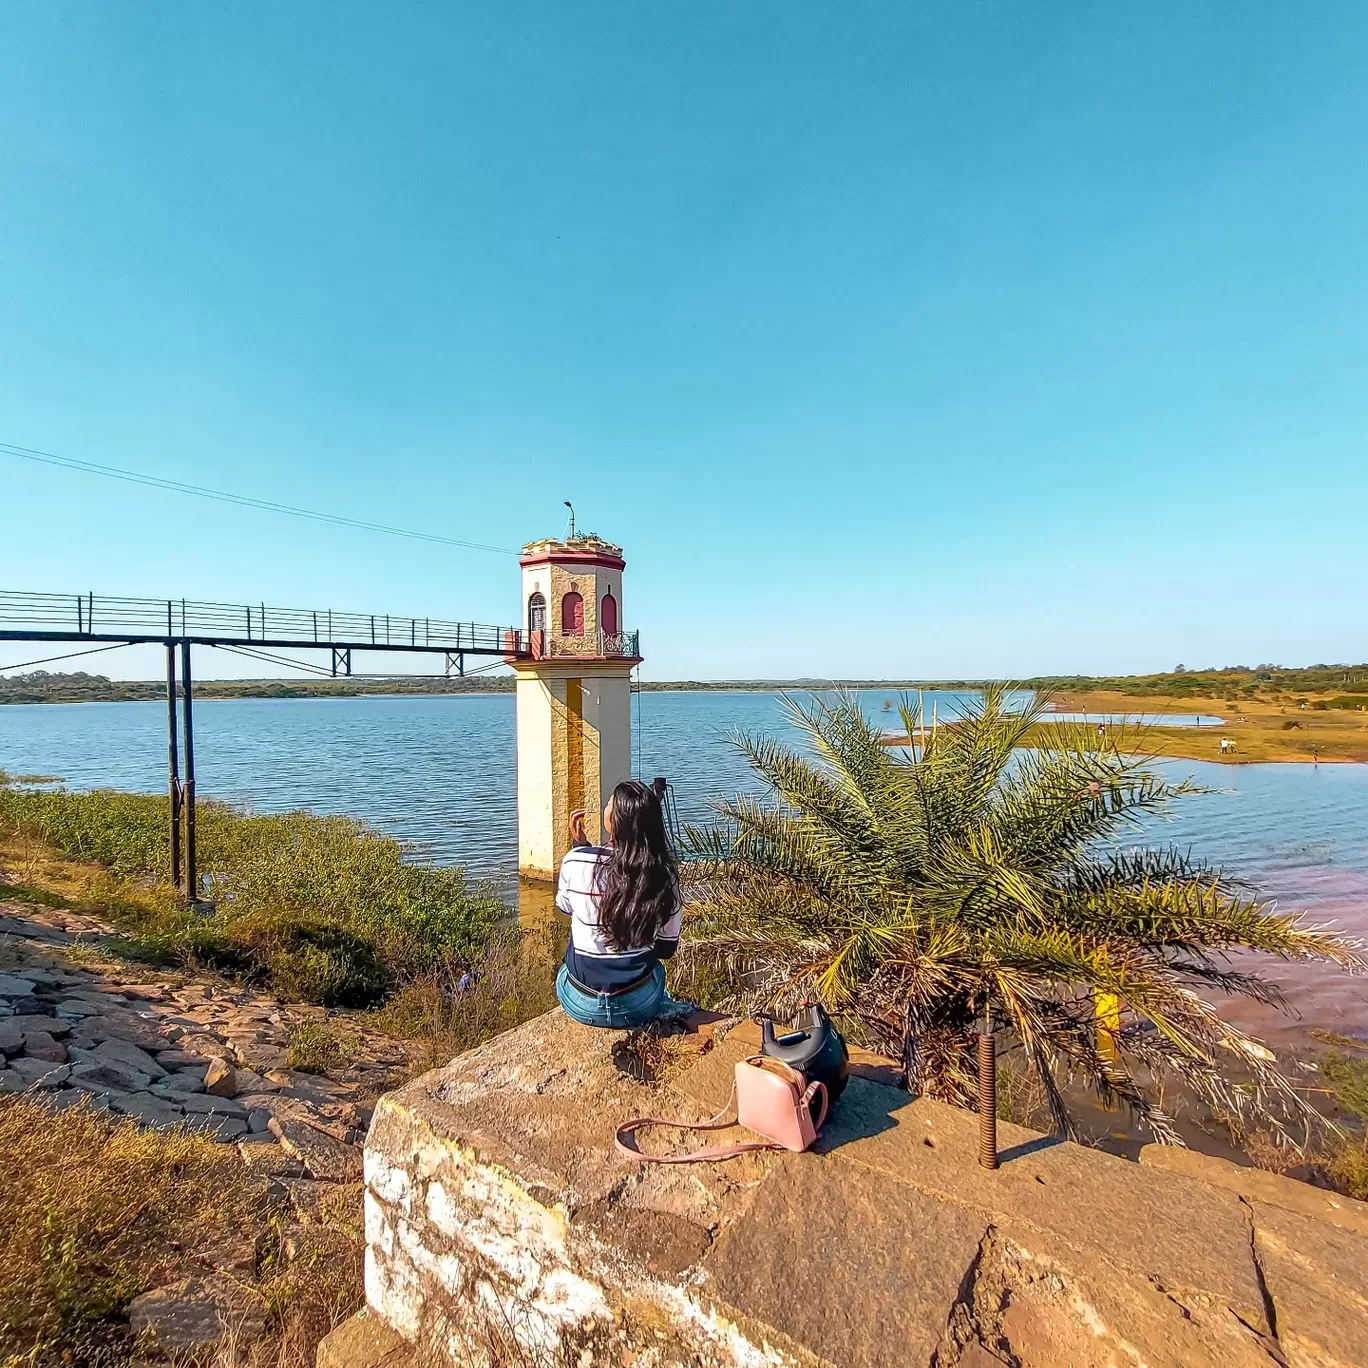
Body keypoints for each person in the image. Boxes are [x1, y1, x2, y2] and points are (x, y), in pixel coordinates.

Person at [554, 779, 692, 1029]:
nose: (605, 807)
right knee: (657, 972)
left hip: (579, 1002)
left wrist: (580, 848)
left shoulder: (575, 862)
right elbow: (666, 950)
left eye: (609, 804)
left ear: (615, 820)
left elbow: (565, 907)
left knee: (566, 966)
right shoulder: (664, 874)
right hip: (638, 1004)